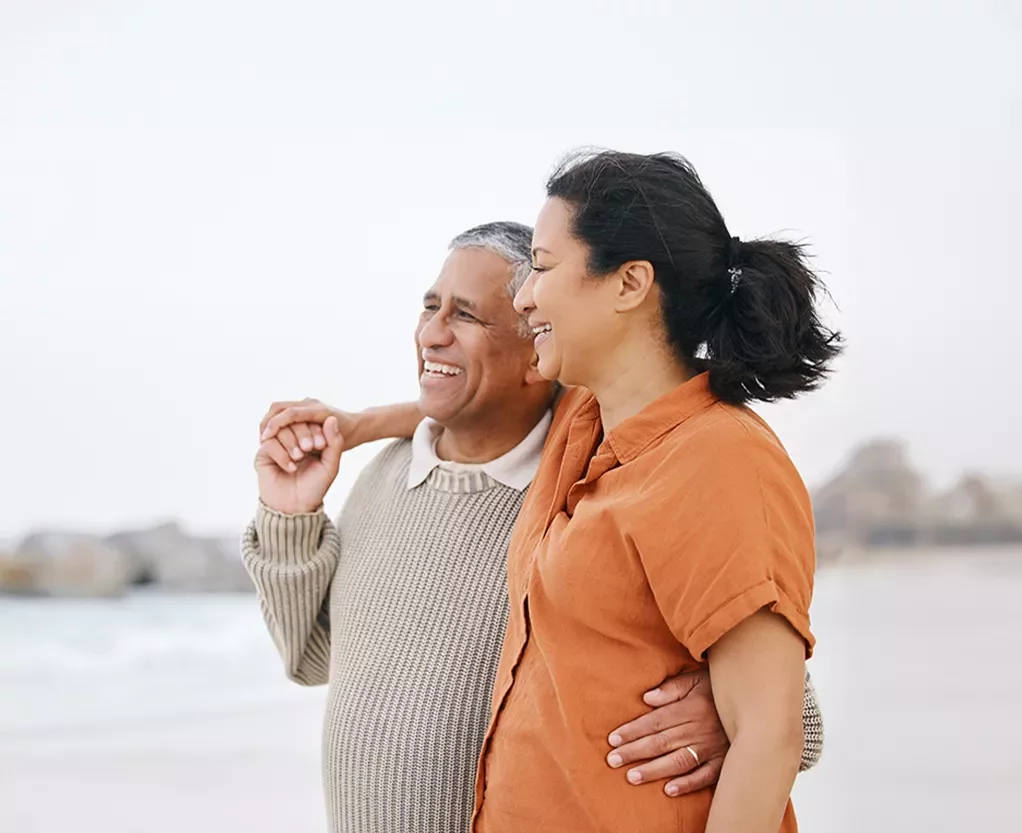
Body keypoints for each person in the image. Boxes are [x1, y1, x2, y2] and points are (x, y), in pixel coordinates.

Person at [242, 221, 826, 833]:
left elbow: (790, 714)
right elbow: (312, 659)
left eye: (466, 315)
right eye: (430, 307)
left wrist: (722, 714)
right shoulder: (382, 478)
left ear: (539, 353)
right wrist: (291, 515)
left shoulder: (583, 493)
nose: (432, 332)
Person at [471, 151, 842, 833]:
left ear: (630, 282)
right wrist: (354, 427)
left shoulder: (720, 458)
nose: (524, 297)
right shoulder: (584, 422)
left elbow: (768, 736)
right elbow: (474, 397)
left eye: (543, 267)